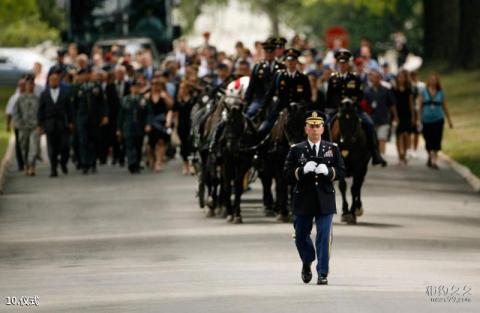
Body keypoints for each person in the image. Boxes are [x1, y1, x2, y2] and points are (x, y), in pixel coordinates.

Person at [284, 111, 345, 285]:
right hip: (303, 199)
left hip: (325, 199)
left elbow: (342, 171)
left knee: (324, 236)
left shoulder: (332, 149)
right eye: (311, 126)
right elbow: (286, 174)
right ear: (306, 129)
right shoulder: (297, 149)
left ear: (323, 128)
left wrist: (329, 172)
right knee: (301, 235)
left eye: (317, 126)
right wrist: (301, 171)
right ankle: (307, 260)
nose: (314, 129)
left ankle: (322, 272)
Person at [326, 49, 387, 166]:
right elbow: (329, 97)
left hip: (353, 109)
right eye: (340, 62)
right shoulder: (333, 78)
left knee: (369, 124)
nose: (343, 65)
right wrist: (338, 104)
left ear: (348, 63)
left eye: (345, 63)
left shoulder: (355, 78)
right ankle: (322, 154)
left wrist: (352, 101)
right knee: (324, 125)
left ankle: (375, 153)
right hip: (336, 109)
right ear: (338, 63)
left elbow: (360, 95)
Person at [38, 69, 74, 177]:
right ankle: (53, 169)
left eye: (56, 80)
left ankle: (63, 162)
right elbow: (41, 110)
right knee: (51, 147)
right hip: (49, 124)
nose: (54, 82)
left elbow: (70, 109)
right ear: (49, 81)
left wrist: (71, 122)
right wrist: (40, 125)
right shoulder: (44, 94)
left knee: (65, 145)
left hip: (62, 123)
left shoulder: (65, 93)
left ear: (59, 81)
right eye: (51, 80)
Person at [117, 79, 153, 174]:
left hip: (139, 126)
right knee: (129, 146)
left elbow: (149, 113)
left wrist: (148, 124)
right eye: (133, 87)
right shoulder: (125, 100)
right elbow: (120, 115)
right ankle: (131, 163)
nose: (135, 89)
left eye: (137, 87)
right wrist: (119, 128)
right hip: (128, 126)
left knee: (138, 145)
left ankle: (137, 163)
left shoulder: (143, 99)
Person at [419, 73, 453, 169]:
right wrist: (418, 118)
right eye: (431, 79)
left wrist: (449, 120)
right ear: (428, 81)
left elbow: (445, 106)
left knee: (437, 139)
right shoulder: (424, 92)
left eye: (435, 80)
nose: (433, 81)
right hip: (426, 119)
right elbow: (420, 106)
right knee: (428, 139)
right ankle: (429, 154)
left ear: (437, 81)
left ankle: (434, 160)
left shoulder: (440, 92)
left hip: (438, 119)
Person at [244, 39, 285, 119]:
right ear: (264, 52)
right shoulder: (258, 67)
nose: (269, 54)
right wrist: (246, 100)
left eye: (271, 52)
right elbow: (251, 86)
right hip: (260, 99)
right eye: (267, 52)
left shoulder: (281, 67)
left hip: (276, 99)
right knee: (249, 114)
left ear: (275, 52)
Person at [363, 70, 399, 158]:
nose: (375, 79)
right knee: (373, 138)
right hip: (371, 119)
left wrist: (395, 116)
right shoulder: (367, 91)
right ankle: (374, 154)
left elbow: (392, 105)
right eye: (373, 77)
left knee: (382, 138)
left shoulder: (386, 90)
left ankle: (382, 155)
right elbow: (364, 105)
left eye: (377, 77)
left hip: (383, 119)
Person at [13, 78, 40, 176]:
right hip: (23, 127)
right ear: (26, 86)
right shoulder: (20, 98)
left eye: (32, 85)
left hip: (34, 126)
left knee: (34, 147)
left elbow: (41, 113)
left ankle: (32, 166)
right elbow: (15, 112)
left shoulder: (37, 98)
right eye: (28, 85)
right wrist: (18, 123)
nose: (30, 86)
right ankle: (26, 165)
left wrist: (40, 125)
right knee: (24, 147)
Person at [145, 79, 173, 172]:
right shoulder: (147, 96)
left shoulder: (164, 95)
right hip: (150, 122)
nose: (156, 86)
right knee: (150, 144)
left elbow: (170, 107)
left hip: (161, 121)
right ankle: (152, 159)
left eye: (158, 84)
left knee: (161, 142)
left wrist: (168, 121)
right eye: (154, 84)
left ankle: (158, 162)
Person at [393, 70, 415, 165]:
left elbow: (411, 103)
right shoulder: (394, 89)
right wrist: (395, 116)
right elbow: (393, 104)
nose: (401, 79)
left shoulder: (408, 89)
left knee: (406, 134)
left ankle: (405, 153)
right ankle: (399, 155)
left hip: (407, 114)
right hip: (397, 114)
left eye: (403, 77)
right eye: (399, 77)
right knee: (399, 135)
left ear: (406, 78)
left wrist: (413, 116)